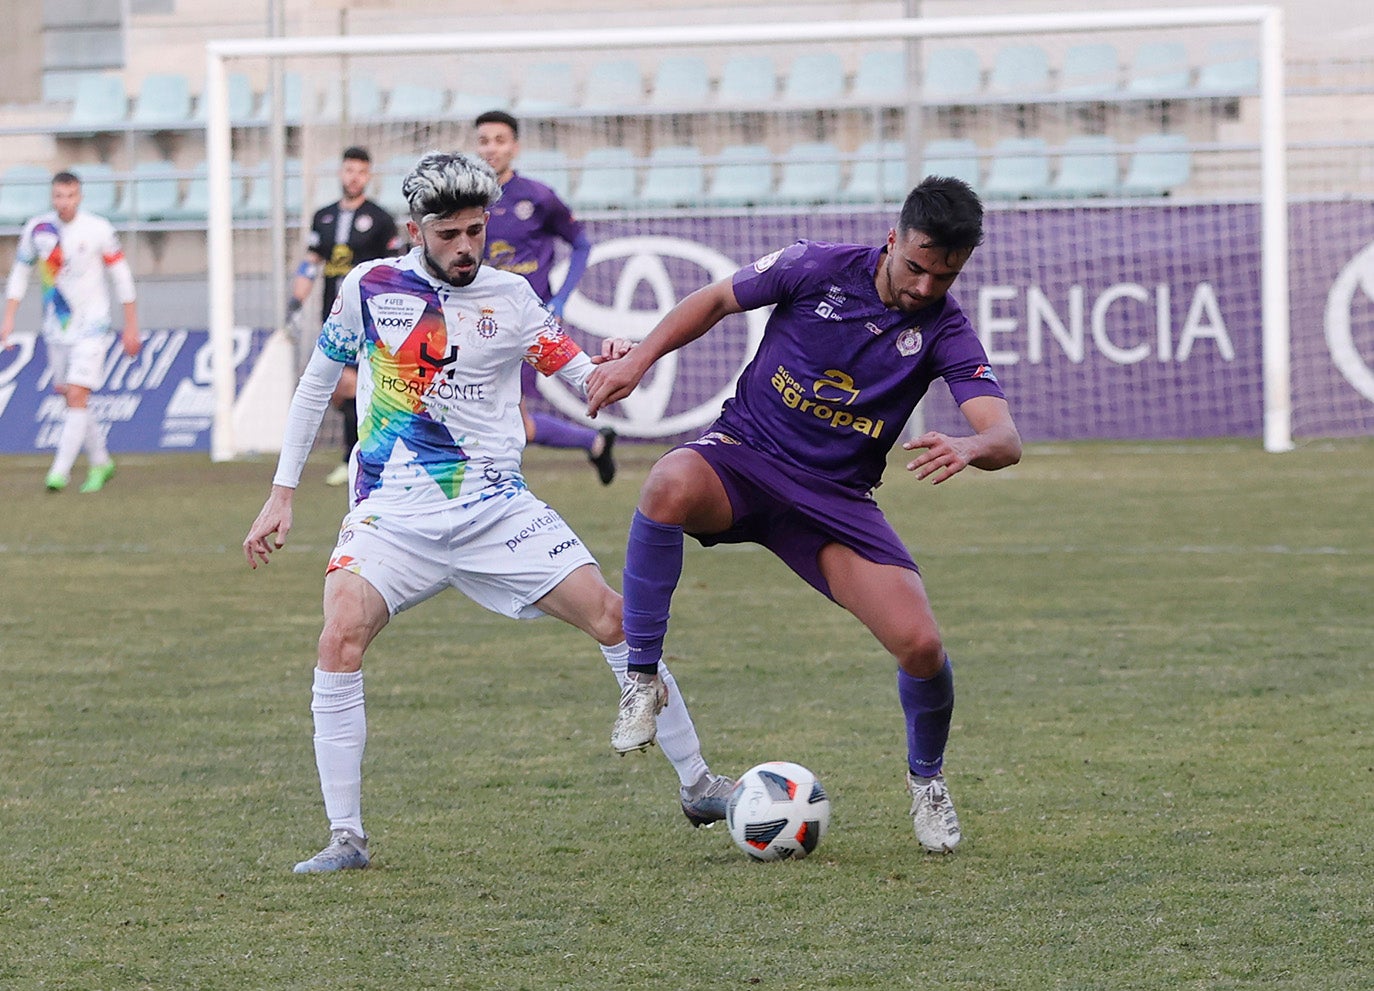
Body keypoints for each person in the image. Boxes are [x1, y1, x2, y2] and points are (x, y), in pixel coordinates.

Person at [243, 151, 731, 874]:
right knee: (338, 635)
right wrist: (282, 491)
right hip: (393, 519)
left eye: (476, 230)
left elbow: (586, 378)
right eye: (450, 234)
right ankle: (347, 837)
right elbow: (318, 386)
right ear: (416, 231)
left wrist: (621, 361)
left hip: (497, 512)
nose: (466, 247)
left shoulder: (513, 298)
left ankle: (698, 785)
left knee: (620, 620)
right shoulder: (368, 289)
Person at [586, 176, 1023, 854]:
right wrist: (640, 359)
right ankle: (642, 677)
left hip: (832, 502)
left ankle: (927, 782)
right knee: (667, 482)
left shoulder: (943, 326)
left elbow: (1005, 438)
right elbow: (715, 299)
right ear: (892, 240)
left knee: (923, 646)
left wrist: (971, 444)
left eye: (944, 275)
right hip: (744, 458)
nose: (925, 287)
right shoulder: (814, 266)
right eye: (916, 266)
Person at [474, 110, 616, 485]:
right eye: (484, 140)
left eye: (499, 140)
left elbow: (581, 244)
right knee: (501, 416)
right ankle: (594, 442)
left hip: (525, 321)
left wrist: (561, 299)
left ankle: (494, 487)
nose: (491, 148)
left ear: (515, 147)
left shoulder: (537, 197)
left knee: (503, 415)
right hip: (477, 321)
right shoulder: (470, 200)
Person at [1, 170, 140, 493]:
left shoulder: (98, 229)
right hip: (57, 327)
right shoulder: (38, 229)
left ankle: (59, 472)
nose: (64, 202)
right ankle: (102, 461)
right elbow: (20, 272)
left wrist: (131, 325)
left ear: (80, 196)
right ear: (52, 197)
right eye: (59, 196)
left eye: (71, 196)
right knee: (72, 399)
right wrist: (9, 318)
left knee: (78, 393)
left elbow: (121, 277)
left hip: (93, 325)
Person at [287, 146, 401, 487]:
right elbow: (312, 261)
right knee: (339, 390)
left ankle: (352, 459)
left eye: (361, 172)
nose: (354, 177)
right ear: (341, 173)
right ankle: (366, 452)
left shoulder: (380, 219)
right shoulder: (323, 217)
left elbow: (392, 267)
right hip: (331, 314)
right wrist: (296, 300)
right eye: (349, 170)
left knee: (351, 384)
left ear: (369, 177)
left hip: (367, 316)